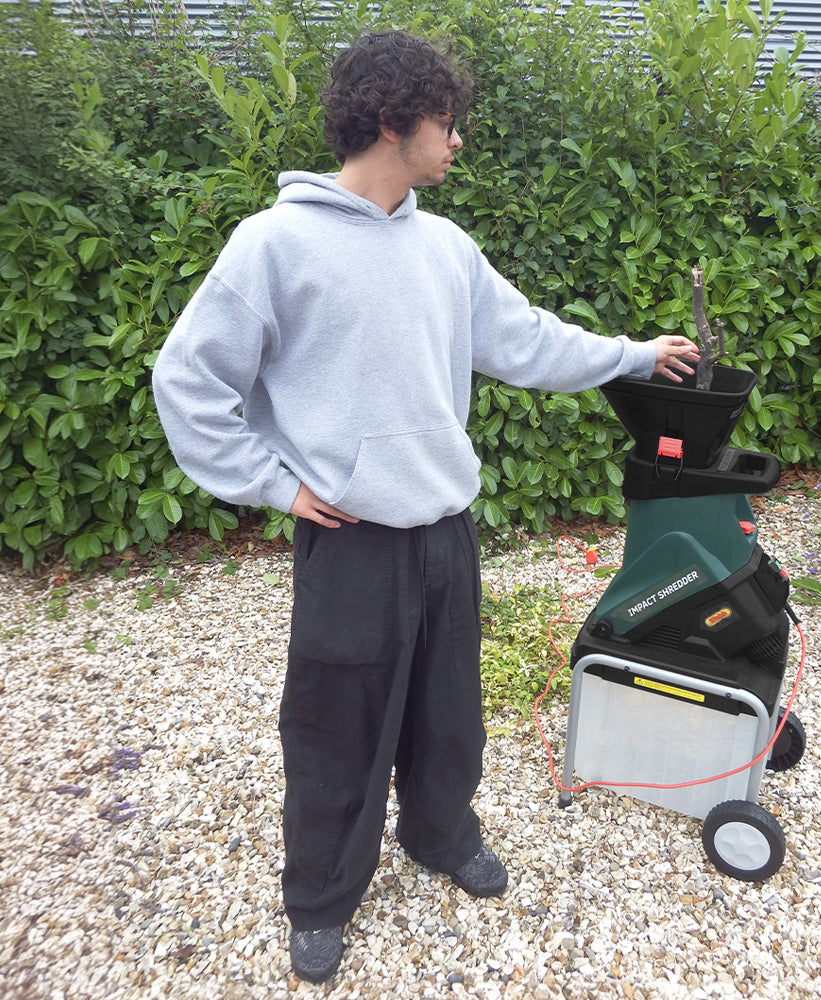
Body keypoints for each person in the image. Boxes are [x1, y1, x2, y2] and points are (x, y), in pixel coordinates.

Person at [152, 29, 700, 985]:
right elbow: (188, 381)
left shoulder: (445, 247)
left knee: (450, 716)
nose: (457, 140)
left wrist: (633, 354)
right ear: (390, 120)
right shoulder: (274, 245)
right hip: (350, 540)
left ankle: (441, 836)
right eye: (446, 122)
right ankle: (321, 896)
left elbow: (527, 340)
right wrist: (276, 484)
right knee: (337, 726)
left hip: (445, 531)